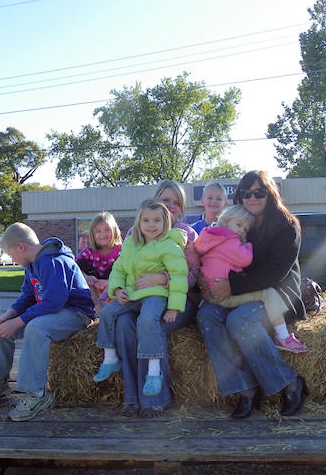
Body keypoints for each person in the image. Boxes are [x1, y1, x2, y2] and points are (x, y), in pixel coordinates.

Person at [197, 170, 308, 419]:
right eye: (246, 193)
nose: (252, 198)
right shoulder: (238, 222)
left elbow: (274, 273)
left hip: (276, 294)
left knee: (240, 320)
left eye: (260, 192)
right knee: (207, 315)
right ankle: (245, 387)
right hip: (238, 291)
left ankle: (290, 383)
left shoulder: (286, 226)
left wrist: (231, 285)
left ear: (271, 194)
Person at [0, 223, 95, 421]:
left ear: (21, 246)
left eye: (11, 255)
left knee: (35, 328)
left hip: (75, 313)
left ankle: (36, 394)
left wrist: (19, 322)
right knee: (0, 326)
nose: (13, 260)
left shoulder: (53, 261)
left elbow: (53, 302)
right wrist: (10, 315)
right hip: (52, 312)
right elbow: (28, 296)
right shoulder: (32, 265)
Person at [114, 180, 201, 417]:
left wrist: (161, 278)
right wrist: (114, 292)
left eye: (176, 202)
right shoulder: (136, 232)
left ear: (182, 208)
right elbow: (122, 267)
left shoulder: (186, 234)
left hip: (178, 300)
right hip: (140, 298)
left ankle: (154, 399)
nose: (170, 206)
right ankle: (131, 397)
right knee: (123, 324)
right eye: (165, 200)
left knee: (149, 326)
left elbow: (193, 276)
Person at [94, 199, 189, 401]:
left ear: (165, 222)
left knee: (147, 320)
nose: (151, 225)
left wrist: (174, 307)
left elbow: (179, 276)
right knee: (108, 312)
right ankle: (110, 359)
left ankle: (154, 372)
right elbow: (119, 269)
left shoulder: (169, 245)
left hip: (155, 294)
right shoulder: (131, 244)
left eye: (157, 220)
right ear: (138, 222)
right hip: (132, 293)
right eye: (146, 220)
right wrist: (117, 289)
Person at [196, 204, 309, 353]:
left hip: (208, 294)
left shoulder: (208, 236)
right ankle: (283, 336)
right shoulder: (229, 240)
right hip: (224, 295)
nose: (241, 231)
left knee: (219, 316)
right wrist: (247, 244)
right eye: (238, 225)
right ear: (225, 220)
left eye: (245, 229)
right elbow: (246, 259)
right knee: (269, 294)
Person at [76, 212, 123, 316]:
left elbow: (126, 273)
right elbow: (75, 268)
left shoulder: (121, 251)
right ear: (92, 234)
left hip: (113, 289)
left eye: (107, 230)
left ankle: (107, 314)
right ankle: (95, 314)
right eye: (98, 231)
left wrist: (108, 282)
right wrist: (86, 277)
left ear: (114, 231)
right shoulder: (89, 252)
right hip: (95, 292)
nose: (102, 234)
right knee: (89, 286)